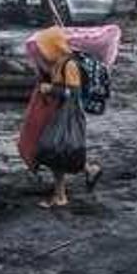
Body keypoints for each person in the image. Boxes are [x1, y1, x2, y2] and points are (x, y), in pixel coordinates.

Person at [28, 26, 100, 208]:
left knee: (57, 151)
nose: (44, 51)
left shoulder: (70, 65)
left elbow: (72, 93)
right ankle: (80, 178)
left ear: (54, 46)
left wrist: (51, 89)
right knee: (59, 152)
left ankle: (62, 195)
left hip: (69, 114)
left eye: (46, 47)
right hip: (60, 112)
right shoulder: (58, 64)